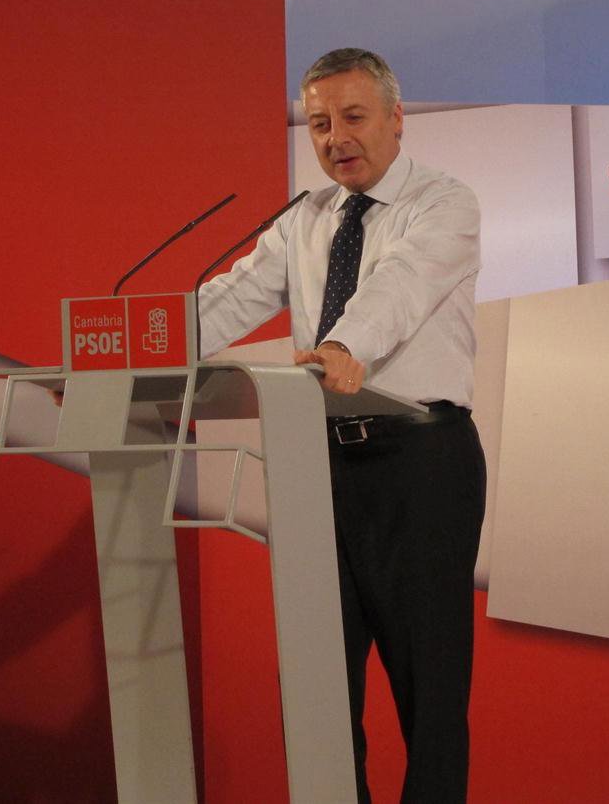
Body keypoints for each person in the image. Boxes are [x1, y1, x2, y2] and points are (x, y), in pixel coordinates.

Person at [198, 47, 486, 803]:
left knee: (429, 691)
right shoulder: (305, 217)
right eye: (320, 124)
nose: (335, 138)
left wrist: (342, 346)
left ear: (397, 118)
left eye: (353, 117)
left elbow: (400, 285)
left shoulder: (443, 203)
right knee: (319, 681)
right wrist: (138, 349)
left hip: (419, 465)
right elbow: (231, 299)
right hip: (317, 462)